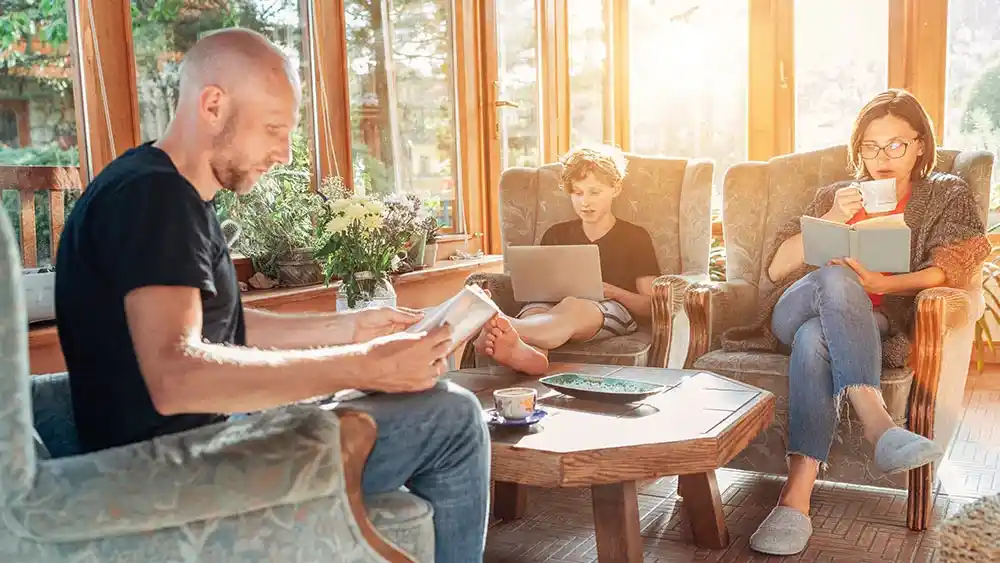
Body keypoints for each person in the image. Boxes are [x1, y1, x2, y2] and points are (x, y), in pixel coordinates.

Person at [54, 28, 489, 562]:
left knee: (404, 399)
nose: (284, 153)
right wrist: (359, 367)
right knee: (452, 419)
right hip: (174, 470)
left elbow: (223, 330)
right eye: (274, 130)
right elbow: (176, 375)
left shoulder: (156, 186)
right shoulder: (156, 200)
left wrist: (350, 329)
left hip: (189, 445)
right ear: (213, 104)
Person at [720, 89, 991, 556]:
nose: (881, 157)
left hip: (875, 319)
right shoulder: (834, 194)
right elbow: (774, 269)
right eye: (870, 146)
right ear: (857, 148)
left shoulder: (946, 192)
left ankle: (795, 499)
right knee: (833, 278)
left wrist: (885, 286)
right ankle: (878, 424)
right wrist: (828, 217)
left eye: (895, 145)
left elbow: (952, 267)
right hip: (794, 309)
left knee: (814, 341)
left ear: (921, 145)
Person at [474, 145, 661, 375]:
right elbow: (536, 288)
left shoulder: (635, 236)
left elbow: (651, 306)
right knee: (536, 311)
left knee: (573, 306)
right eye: (577, 193)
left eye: (594, 192)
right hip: (552, 305)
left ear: (615, 188)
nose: (585, 202)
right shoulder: (555, 234)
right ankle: (531, 357)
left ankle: (503, 325)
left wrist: (614, 292)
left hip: (609, 309)